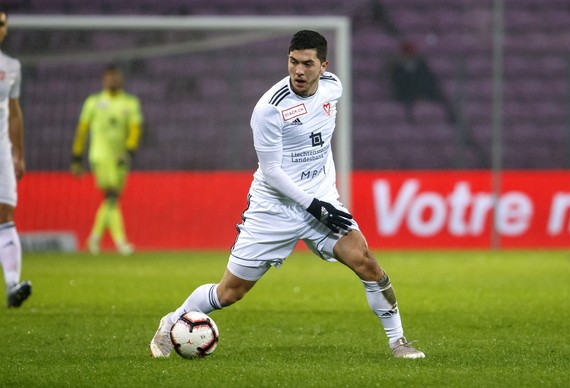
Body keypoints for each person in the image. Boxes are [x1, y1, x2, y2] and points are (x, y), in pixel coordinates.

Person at [150, 30, 425, 359]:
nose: (299, 71)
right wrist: (313, 205)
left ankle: (398, 342)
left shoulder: (333, 87)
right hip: (274, 208)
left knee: (366, 263)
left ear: (323, 66)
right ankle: (171, 321)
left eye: (307, 64)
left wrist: (322, 198)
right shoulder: (269, 109)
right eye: (293, 62)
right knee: (229, 292)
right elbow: (272, 171)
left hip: (320, 200)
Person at [70, 64, 143, 256]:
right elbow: (82, 130)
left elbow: (135, 128)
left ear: (121, 79)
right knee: (111, 196)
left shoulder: (130, 102)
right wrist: (76, 156)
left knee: (111, 200)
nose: (112, 80)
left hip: (120, 158)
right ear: (104, 80)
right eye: (109, 77)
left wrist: (129, 151)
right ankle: (121, 243)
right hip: (99, 155)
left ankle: (94, 238)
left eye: (115, 77)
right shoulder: (93, 102)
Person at [0, 10, 32, 308]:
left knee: (6, 214)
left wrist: (18, 153)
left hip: (2, 150)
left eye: (2, 24)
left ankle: (11, 285)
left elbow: (14, 111)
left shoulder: (10, 66)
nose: (0, 28)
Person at [390, 40, 458, 125]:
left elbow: (429, 78)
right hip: (408, 92)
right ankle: (410, 122)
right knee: (407, 104)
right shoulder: (398, 68)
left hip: (424, 89)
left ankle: (452, 118)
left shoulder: (421, 64)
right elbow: (398, 83)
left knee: (442, 99)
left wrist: (426, 89)